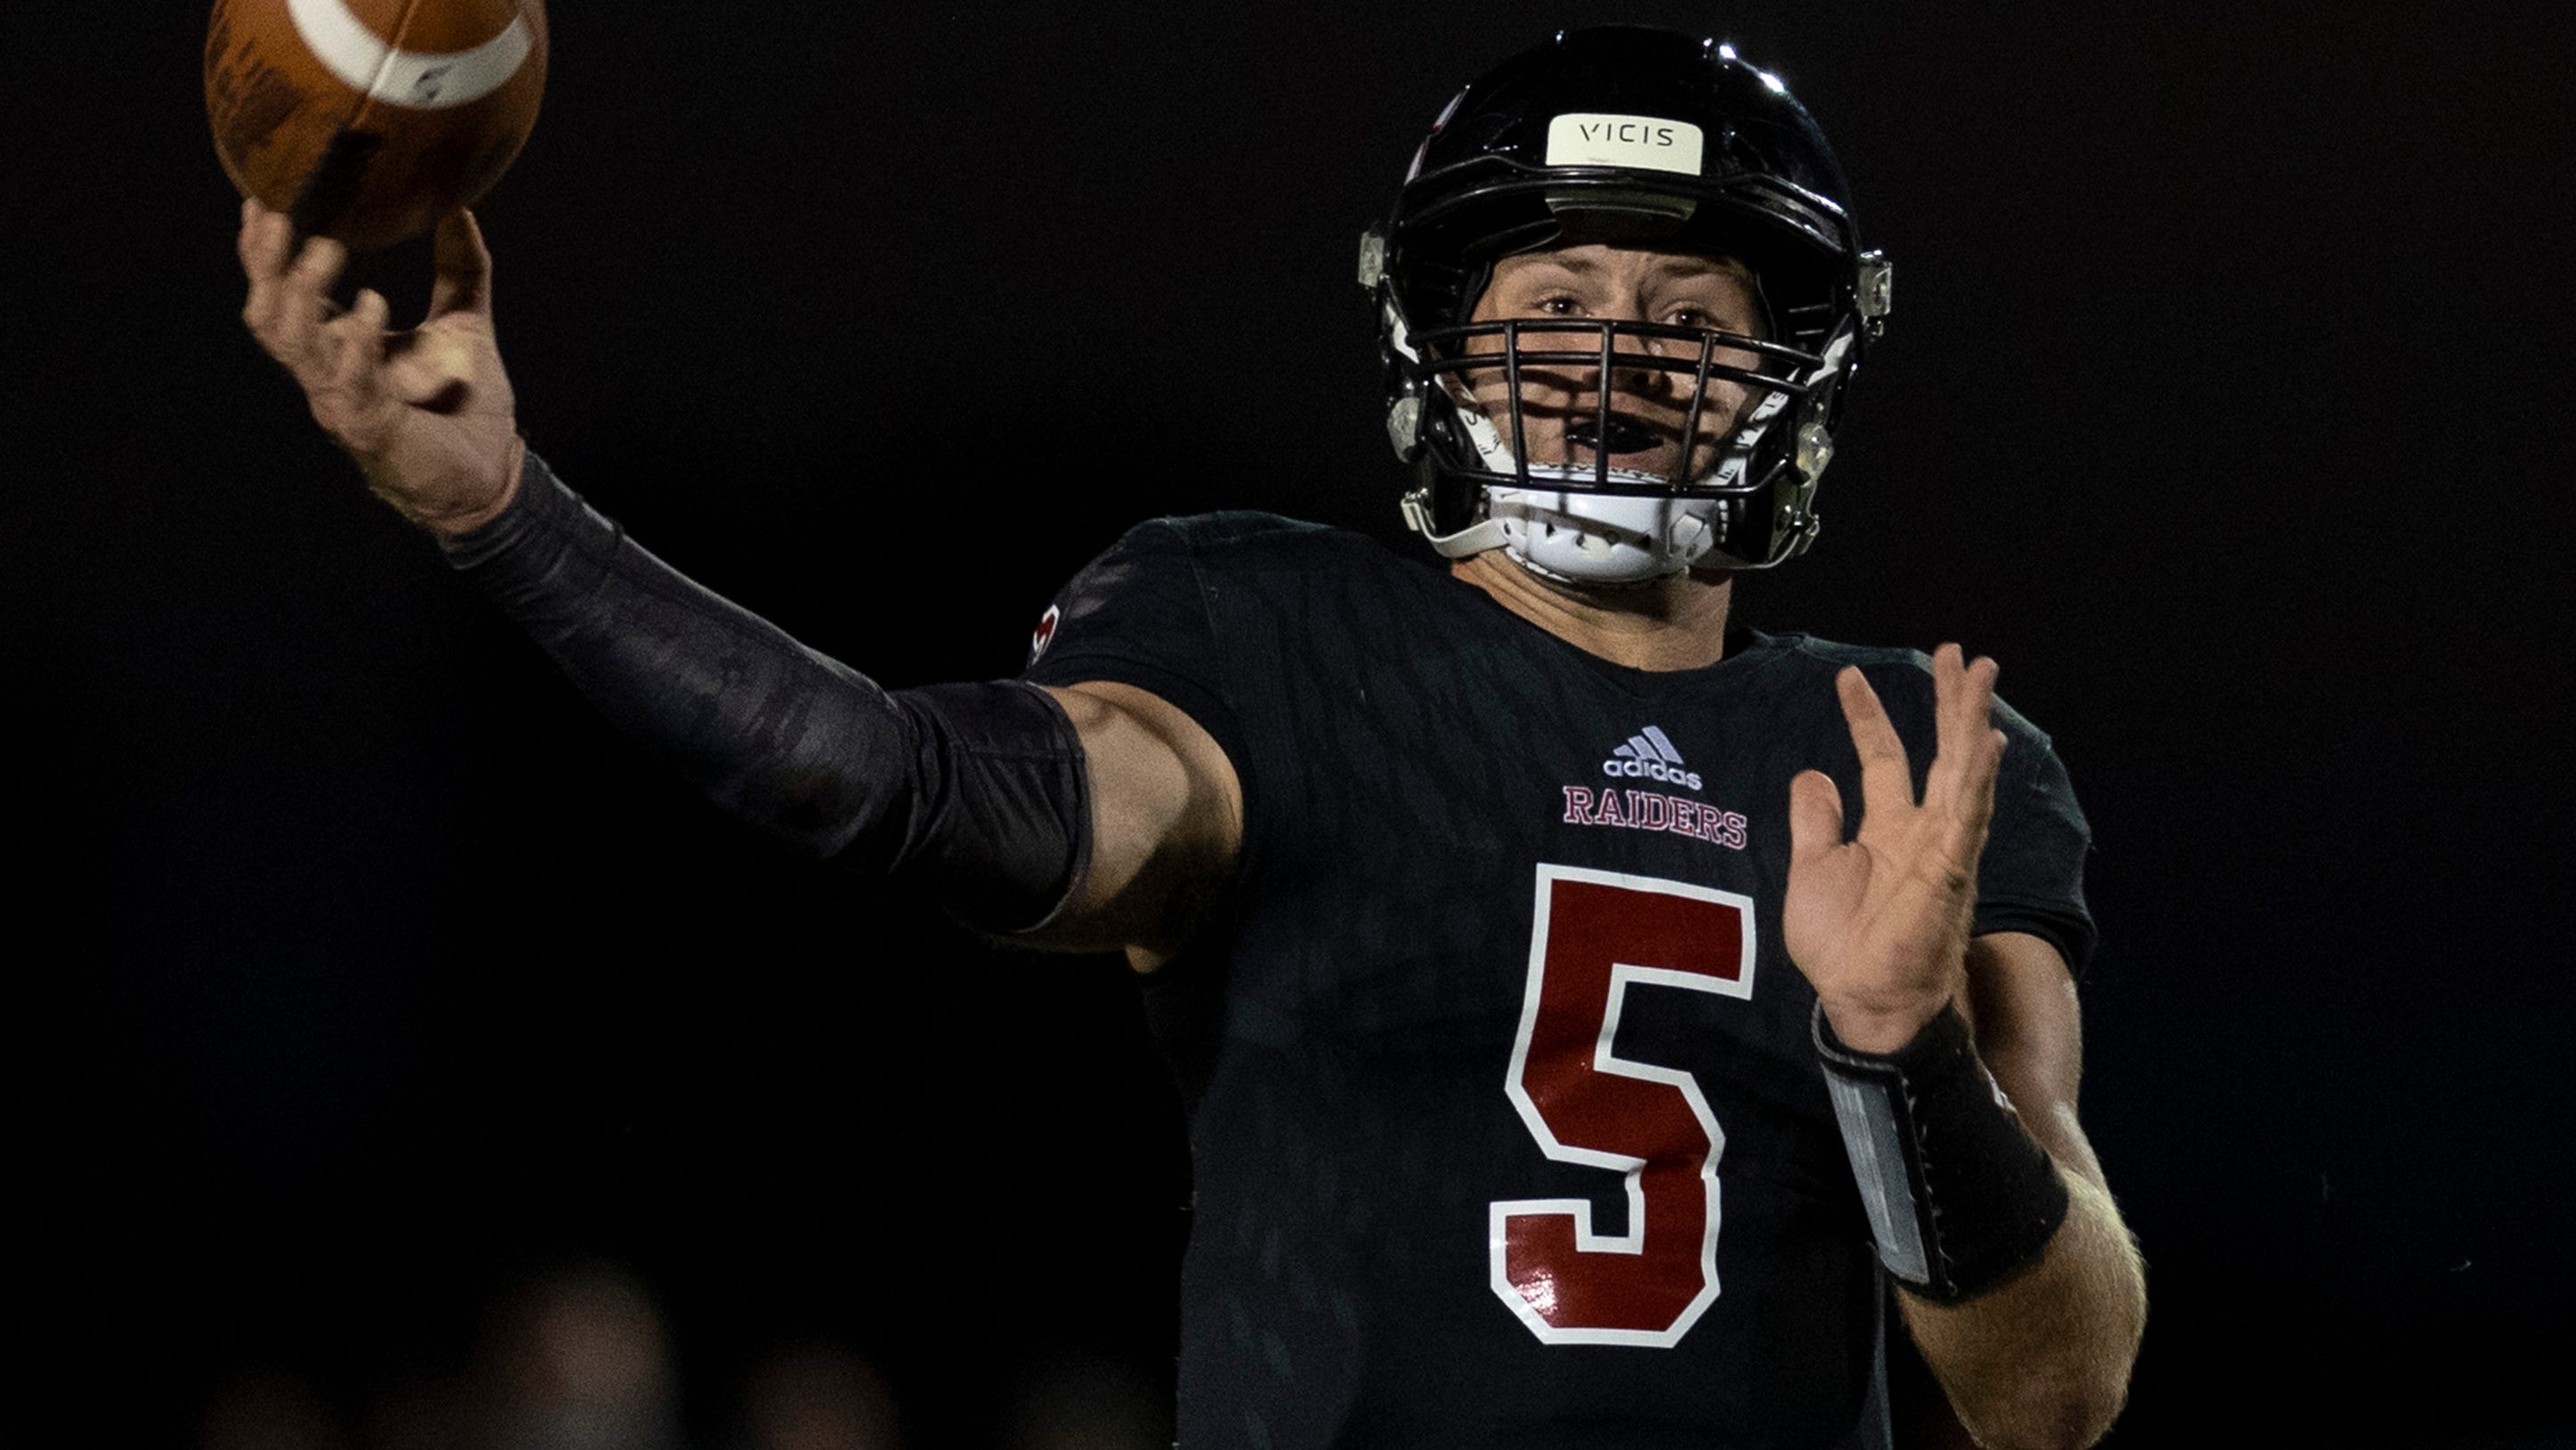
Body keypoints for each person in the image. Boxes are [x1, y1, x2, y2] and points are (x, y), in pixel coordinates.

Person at [237, 25, 2144, 1449]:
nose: (1608, 360)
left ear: (1783, 372)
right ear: (1441, 346)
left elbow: (2052, 1387)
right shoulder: (1273, 627)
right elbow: (900, 787)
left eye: (1683, 310)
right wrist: (505, 510)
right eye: (1551, 300)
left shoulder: (1904, 742)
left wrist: (1898, 1062)